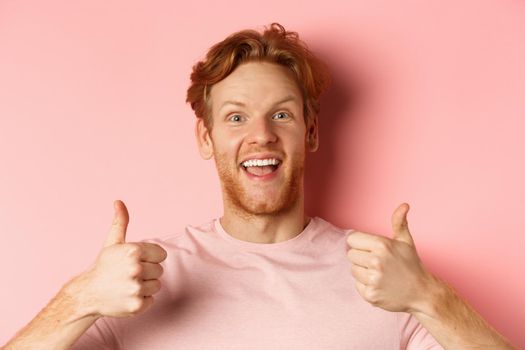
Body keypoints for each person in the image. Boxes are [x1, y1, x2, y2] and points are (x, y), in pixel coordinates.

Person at [3, 23, 517, 350]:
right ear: (206, 138)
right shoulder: (142, 277)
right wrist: (81, 300)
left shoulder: (383, 277)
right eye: (235, 117)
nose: (261, 135)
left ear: (311, 132)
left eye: (281, 114)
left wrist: (429, 297)